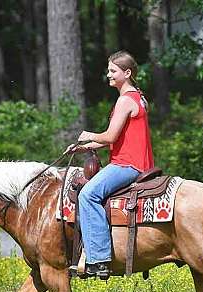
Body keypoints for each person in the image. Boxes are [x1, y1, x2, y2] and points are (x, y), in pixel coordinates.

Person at [65, 50, 154, 279]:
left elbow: (111, 137)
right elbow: (123, 139)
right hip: (136, 162)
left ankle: (99, 258)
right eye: (109, 70)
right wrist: (83, 148)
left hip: (127, 165)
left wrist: (87, 136)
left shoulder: (125, 100)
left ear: (127, 72)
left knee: (87, 195)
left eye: (113, 71)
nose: (108, 75)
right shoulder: (138, 97)